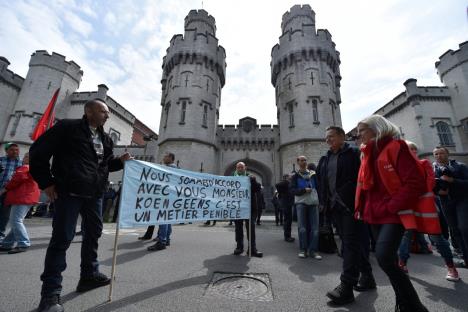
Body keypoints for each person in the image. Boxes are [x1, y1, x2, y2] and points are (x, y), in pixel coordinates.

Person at [30, 99, 131, 312]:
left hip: (95, 194)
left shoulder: (105, 138)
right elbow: (38, 152)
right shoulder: (68, 127)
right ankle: (50, 294)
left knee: (93, 233)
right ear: (89, 111)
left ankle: (89, 275)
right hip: (69, 192)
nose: (107, 115)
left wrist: (120, 161)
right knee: (62, 240)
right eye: (103, 111)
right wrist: (46, 182)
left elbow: (104, 165)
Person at [355, 115, 428, 311]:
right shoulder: (366, 153)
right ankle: (404, 303)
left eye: (362, 130)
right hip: (374, 213)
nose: (358, 134)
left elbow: (415, 183)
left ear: (376, 128)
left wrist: (391, 206)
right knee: (388, 260)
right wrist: (360, 209)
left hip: (392, 213)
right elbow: (365, 187)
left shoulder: (397, 147)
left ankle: (414, 306)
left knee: (384, 257)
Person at [316, 126, 375, 305]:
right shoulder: (325, 159)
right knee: (352, 243)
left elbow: (365, 177)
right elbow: (321, 183)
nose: (328, 140)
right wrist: (324, 204)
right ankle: (368, 276)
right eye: (326, 138)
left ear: (342, 137)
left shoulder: (355, 154)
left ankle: (346, 286)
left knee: (348, 245)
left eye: (331, 136)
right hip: (335, 208)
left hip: (352, 207)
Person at [398, 142, 459, 281]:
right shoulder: (399, 168)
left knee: (436, 237)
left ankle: (451, 267)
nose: (412, 151)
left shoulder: (424, 163)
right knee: (406, 235)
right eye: (409, 149)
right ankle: (402, 264)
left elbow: (430, 182)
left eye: (414, 149)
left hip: (425, 206)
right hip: (408, 206)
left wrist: (413, 192)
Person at [433, 146, 468, 268]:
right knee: (455, 230)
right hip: (445, 202)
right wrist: (437, 191)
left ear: (447, 154)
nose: (438, 156)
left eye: (441, 153)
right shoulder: (432, 169)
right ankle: (465, 258)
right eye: (436, 154)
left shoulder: (460, 166)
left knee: (464, 228)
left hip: (462, 200)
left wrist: (452, 180)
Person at [0, 153, 39, 253]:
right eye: (25, 156)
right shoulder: (34, 168)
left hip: (22, 197)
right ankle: (7, 244)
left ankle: (23, 243)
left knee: (16, 221)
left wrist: (5, 188)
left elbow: (18, 178)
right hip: (27, 197)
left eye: (28, 157)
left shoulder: (25, 167)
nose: (25, 158)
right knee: (17, 221)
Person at [290, 156, 321, 260]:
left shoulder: (313, 174)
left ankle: (313, 250)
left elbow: (319, 188)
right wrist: (303, 190)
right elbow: (292, 190)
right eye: (301, 160)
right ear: (298, 162)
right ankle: (303, 249)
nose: (304, 162)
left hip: (313, 202)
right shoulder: (295, 176)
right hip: (301, 203)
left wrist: (321, 202)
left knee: (315, 228)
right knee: (302, 228)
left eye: (305, 160)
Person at [147, 152, 177, 251]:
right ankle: (166, 239)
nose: (163, 157)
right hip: (170, 197)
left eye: (166, 156)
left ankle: (162, 241)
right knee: (167, 219)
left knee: (163, 218)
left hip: (165, 197)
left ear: (171, 158)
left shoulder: (168, 168)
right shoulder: (175, 169)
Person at [233, 162, 263, 257]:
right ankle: (239, 247)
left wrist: (253, 181)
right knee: (238, 228)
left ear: (245, 167)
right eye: (238, 167)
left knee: (251, 228)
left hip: (250, 207)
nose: (240, 168)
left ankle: (252, 248)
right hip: (237, 207)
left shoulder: (250, 177)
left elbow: (258, 189)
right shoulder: (231, 179)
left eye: (242, 167)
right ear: (236, 168)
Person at [0, 142, 22, 240]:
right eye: (12, 150)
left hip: (10, 192)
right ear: (6, 151)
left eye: (16, 150)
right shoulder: (1, 160)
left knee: (5, 214)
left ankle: (0, 233)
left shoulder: (21, 163)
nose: (15, 152)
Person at [276, 174, 295, 242]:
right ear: (286, 178)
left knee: (288, 220)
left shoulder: (286, 185)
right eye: (289, 177)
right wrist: (287, 181)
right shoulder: (285, 183)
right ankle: (287, 236)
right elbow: (277, 185)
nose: (291, 177)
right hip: (286, 203)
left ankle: (288, 235)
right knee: (288, 220)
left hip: (287, 203)